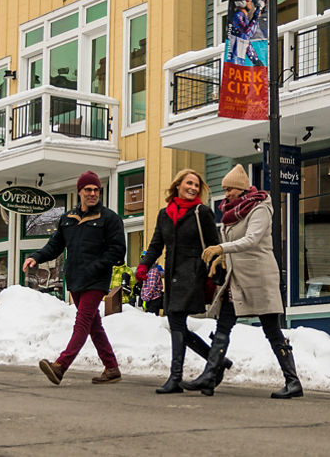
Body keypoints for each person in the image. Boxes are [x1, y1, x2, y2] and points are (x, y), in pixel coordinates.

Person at [183, 163, 303, 399]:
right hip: (236, 279)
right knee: (223, 325)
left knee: (272, 330)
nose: (226, 194)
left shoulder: (260, 207)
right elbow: (234, 243)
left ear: (242, 188)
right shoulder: (231, 212)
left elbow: (252, 239)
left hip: (259, 278)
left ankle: (293, 381)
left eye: (230, 189)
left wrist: (221, 248)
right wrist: (222, 258)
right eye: (224, 189)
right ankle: (210, 376)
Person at [23, 170, 126, 385]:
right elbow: (55, 246)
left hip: (96, 280)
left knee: (82, 323)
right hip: (75, 279)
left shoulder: (109, 218)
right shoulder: (68, 219)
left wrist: (96, 266)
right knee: (93, 325)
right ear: (79, 191)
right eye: (88, 189)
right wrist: (36, 257)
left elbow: (117, 251)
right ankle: (111, 367)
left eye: (96, 190)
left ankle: (60, 366)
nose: (92, 193)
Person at [136, 168, 232, 394]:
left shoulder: (202, 212)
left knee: (177, 321)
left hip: (193, 274)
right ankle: (215, 360)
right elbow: (156, 245)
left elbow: (214, 245)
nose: (193, 188)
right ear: (178, 185)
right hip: (172, 275)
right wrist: (144, 265)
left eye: (196, 185)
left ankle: (175, 377)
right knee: (176, 324)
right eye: (189, 183)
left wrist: (214, 273)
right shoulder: (164, 214)